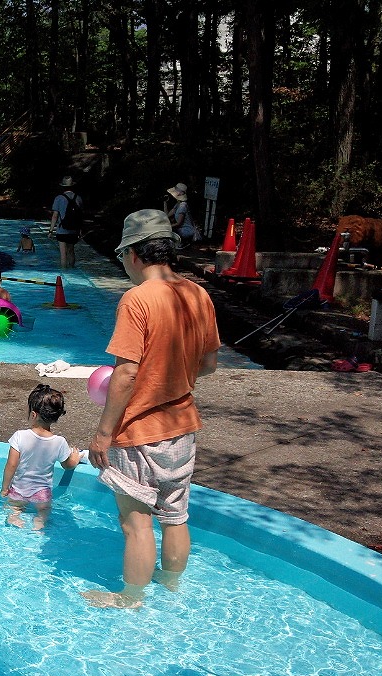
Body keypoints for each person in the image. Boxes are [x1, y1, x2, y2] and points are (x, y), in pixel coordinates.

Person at [83, 209, 220, 608]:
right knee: (176, 515)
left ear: (135, 254)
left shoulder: (137, 298)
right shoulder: (198, 293)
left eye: (123, 255)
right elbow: (209, 363)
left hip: (140, 429)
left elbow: (125, 373)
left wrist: (103, 434)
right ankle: (171, 582)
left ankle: (130, 597)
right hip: (182, 424)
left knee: (136, 522)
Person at [0, 384, 83, 531]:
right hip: (42, 494)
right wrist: (75, 458)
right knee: (44, 510)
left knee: (12, 508)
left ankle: (13, 517)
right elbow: (67, 465)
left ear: (33, 414)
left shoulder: (19, 436)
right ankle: (40, 521)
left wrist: (5, 488)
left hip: (19, 490)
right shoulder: (59, 442)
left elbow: (11, 465)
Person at [49, 176, 83, 268]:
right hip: (74, 230)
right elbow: (80, 216)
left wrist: (51, 230)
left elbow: (55, 216)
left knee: (63, 254)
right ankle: (72, 269)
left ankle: (65, 273)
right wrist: (80, 230)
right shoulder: (78, 198)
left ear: (63, 186)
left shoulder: (59, 198)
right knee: (71, 251)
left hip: (62, 230)